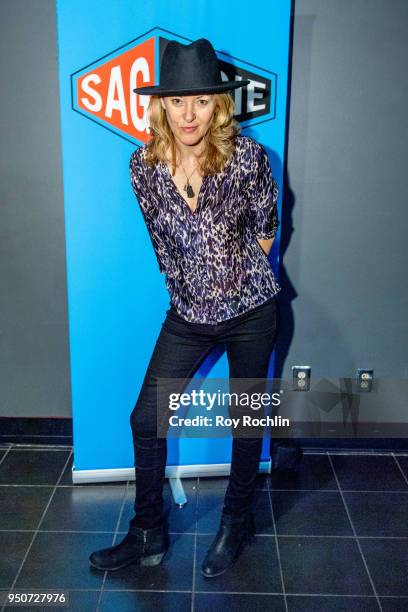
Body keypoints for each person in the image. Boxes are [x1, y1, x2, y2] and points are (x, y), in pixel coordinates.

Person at [89, 38, 281, 579]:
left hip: (253, 311)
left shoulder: (247, 159)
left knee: (247, 422)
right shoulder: (142, 168)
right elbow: (164, 247)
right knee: (145, 419)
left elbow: (266, 227)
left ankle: (235, 521)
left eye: (200, 100)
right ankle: (148, 533)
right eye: (177, 101)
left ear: (217, 104)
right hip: (189, 316)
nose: (189, 113)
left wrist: (236, 279)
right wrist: (197, 293)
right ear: (161, 106)